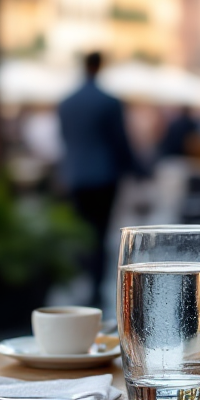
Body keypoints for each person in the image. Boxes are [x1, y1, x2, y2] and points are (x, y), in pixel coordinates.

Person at [58, 52, 139, 308]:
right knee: (100, 231)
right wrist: (138, 170)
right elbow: (120, 142)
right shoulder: (109, 102)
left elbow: (66, 140)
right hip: (104, 176)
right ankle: (94, 285)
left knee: (81, 231)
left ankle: (82, 279)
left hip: (75, 175)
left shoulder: (66, 102)